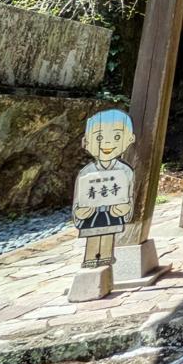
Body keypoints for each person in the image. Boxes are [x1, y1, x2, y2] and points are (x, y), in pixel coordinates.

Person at [72, 109, 137, 269]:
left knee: (108, 235)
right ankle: (90, 259)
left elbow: (129, 194)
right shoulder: (86, 172)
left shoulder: (125, 170)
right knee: (93, 236)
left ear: (130, 139)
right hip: (91, 213)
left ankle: (106, 257)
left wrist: (125, 209)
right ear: (86, 141)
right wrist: (79, 212)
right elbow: (78, 198)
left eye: (117, 137)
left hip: (112, 212)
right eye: (99, 137)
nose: (107, 143)